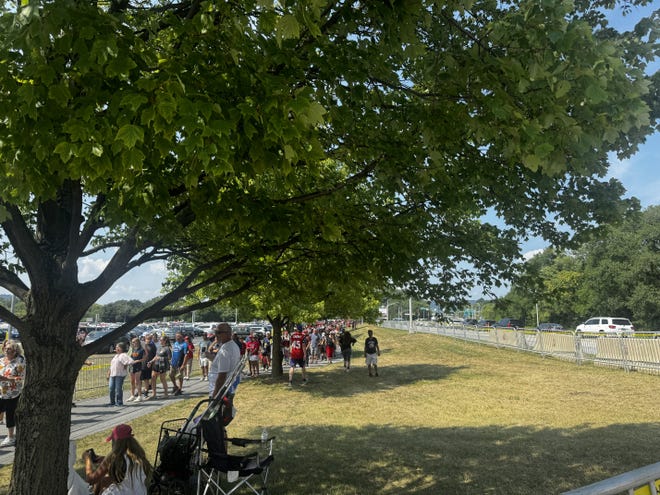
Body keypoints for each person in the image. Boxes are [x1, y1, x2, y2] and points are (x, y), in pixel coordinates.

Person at [83, 423, 152, 495]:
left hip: (122, 493)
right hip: (139, 492)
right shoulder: (139, 456)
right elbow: (125, 467)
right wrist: (104, 459)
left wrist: (87, 460)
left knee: (101, 484)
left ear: (116, 442)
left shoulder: (113, 457)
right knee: (104, 480)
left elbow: (91, 480)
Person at [0, 340, 25, 446]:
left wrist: (6, 379)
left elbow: (20, 378)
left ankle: (11, 437)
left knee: (10, 415)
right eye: (5, 348)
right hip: (1, 392)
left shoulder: (20, 361)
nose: (6, 350)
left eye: (9, 349)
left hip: (12, 393)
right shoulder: (1, 360)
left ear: (15, 351)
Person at [208, 323, 241, 400]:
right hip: (226, 389)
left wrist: (214, 397)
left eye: (218, 332)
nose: (216, 335)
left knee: (219, 412)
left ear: (228, 334)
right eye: (215, 332)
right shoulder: (230, 346)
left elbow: (222, 376)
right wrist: (211, 357)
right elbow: (223, 364)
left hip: (220, 392)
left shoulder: (226, 350)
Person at [107, 342, 134, 407]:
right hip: (112, 374)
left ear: (121, 348)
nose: (116, 348)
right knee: (111, 388)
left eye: (117, 347)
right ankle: (112, 402)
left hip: (119, 374)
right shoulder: (116, 356)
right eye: (116, 347)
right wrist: (108, 373)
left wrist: (126, 365)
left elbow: (130, 361)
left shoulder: (123, 355)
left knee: (118, 388)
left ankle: (119, 402)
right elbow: (112, 366)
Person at [126, 337, 145, 402]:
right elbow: (129, 356)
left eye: (134, 342)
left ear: (138, 342)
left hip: (138, 366)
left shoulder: (141, 350)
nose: (133, 343)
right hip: (131, 366)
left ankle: (140, 396)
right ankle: (132, 395)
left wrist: (138, 361)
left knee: (137, 381)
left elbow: (144, 358)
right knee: (132, 381)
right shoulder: (132, 349)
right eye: (132, 342)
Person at [140, 333, 157, 398]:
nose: (149, 340)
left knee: (147, 379)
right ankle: (142, 391)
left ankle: (146, 392)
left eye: (150, 339)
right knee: (142, 379)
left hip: (149, 364)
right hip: (142, 364)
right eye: (147, 339)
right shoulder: (142, 345)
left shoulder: (152, 346)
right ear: (145, 339)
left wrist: (152, 362)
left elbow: (155, 355)